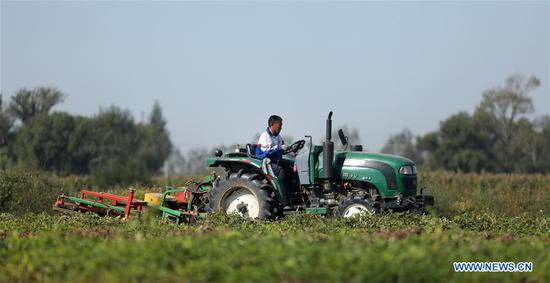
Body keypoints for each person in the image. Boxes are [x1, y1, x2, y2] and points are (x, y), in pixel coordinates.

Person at [256, 115, 288, 184]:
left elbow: (283, 146)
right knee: (280, 171)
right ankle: (281, 193)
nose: (281, 127)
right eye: (280, 125)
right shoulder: (265, 136)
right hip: (265, 161)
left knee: (290, 168)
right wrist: (280, 148)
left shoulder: (278, 136)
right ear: (272, 124)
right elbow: (267, 152)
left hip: (276, 161)